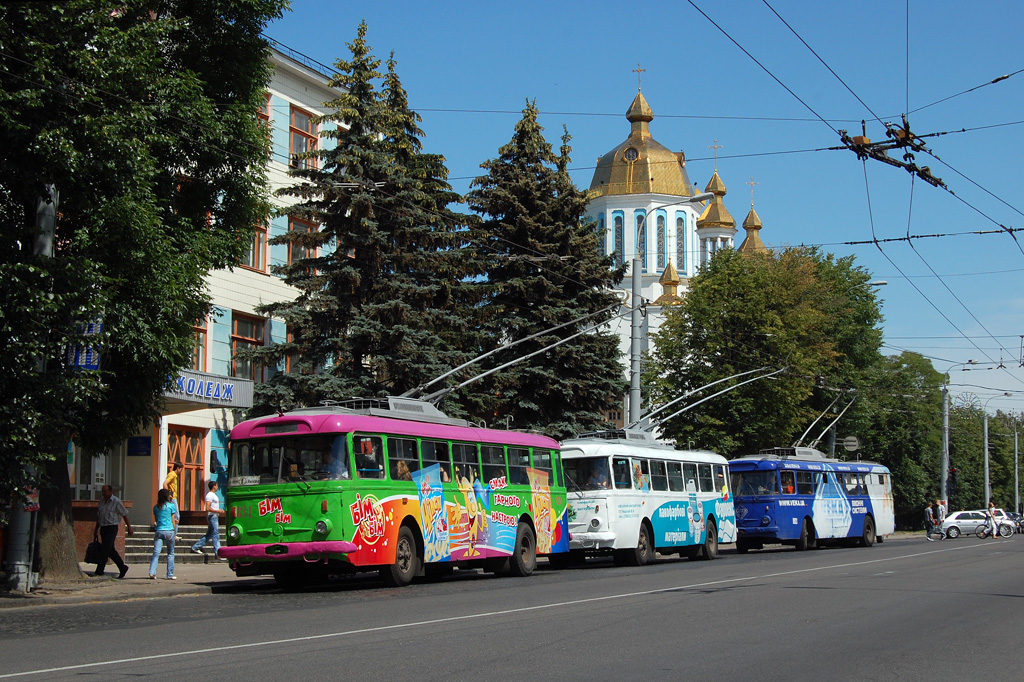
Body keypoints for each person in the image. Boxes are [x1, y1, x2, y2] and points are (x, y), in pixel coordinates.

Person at [93, 484, 133, 578]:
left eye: (105, 491)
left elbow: (124, 514)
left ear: (110, 492)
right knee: (110, 550)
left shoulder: (116, 501)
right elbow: (99, 516)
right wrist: (96, 529)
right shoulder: (102, 501)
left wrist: (129, 527)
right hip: (103, 527)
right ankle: (122, 567)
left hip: (112, 527)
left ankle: (99, 570)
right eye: (103, 491)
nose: (104, 493)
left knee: (105, 549)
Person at [149, 488, 179, 579]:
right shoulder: (171, 506)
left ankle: (152, 572)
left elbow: (157, 520)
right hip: (169, 531)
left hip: (159, 530)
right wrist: (174, 533)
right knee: (170, 553)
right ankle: (170, 574)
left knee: (156, 552)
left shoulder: (155, 507)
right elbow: (173, 521)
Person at [190, 481, 225, 558]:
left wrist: (220, 510)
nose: (217, 487)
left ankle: (196, 547)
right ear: (213, 486)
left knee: (209, 534)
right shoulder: (209, 495)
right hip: (212, 517)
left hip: (215, 516)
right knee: (215, 534)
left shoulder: (214, 495)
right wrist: (218, 511)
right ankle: (218, 553)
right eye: (217, 486)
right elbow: (208, 508)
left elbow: (214, 506)